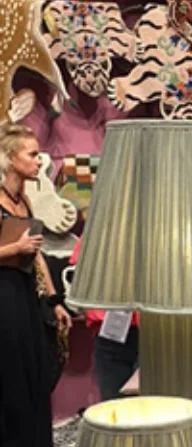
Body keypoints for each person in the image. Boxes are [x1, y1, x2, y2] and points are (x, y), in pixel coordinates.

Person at [0, 124, 72, 447]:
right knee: (11, 376)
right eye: (31, 154)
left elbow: (37, 254)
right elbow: (22, 249)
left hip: (26, 296)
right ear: (11, 158)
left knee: (35, 371)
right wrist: (15, 249)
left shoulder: (25, 201)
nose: (39, 160)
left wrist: (54, 301)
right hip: (4, 299)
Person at [69, 238, 140, 401]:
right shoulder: (99, 229)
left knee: (152, 405)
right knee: (114, 405)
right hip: (111, 328)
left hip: (153, 330)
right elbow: (81, 271)